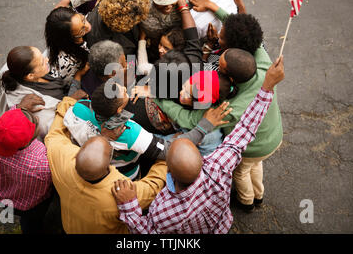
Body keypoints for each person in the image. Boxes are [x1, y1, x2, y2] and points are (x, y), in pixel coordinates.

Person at [112, 56, 285, 233]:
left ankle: (247, 201)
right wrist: (267, 88)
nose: (181, 95)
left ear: (167, 169)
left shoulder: (164, 209)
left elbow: (146, 230)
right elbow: (246, 129)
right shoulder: (219, 168)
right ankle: (254, 199)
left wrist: (130, 206)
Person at [45, 93, 228, 233]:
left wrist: (69, 100)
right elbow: (155, 183)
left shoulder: (60, 159)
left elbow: (54, 134)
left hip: (71, 227)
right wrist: (172, 158)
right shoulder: (122, 192)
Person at [155, 47, 283, 212]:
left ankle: (247, 202)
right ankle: (259, 195)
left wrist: (158, 98)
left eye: (221, 66)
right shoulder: (264, 69)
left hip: (252, 148)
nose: (216, 65)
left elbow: (190, 119)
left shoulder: (223, 111)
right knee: (255, 166)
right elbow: (257, 45)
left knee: (241, 173)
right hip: (271, 137)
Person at [66, 81, 230, 179]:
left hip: (89, 164)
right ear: (118, 111)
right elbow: (169, 150)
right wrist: (203, 127)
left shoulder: (78, 108)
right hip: (124, 174)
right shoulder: (128, 131)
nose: (125, 88)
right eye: (123, 91)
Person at [0, 94, 53, 234]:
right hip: (31, 205)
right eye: (34, 124)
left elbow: (0, 126)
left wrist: (18, 109)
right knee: (32, 224)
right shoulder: (42, 164)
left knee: (10, 210)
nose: (35, 118)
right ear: (28, 141)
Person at [0, 46, 89, 141]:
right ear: (30, 76)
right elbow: (59, 127)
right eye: (42, 63)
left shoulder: (18, 71)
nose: (47, 59)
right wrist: (76, 82)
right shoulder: (40, 109)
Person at [45, 7, 92, 82]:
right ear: (69, 39)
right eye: (81, 31)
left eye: (83, 19)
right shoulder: (66, 64)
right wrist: (79, 74)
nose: (88, 26)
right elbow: (69, 85)